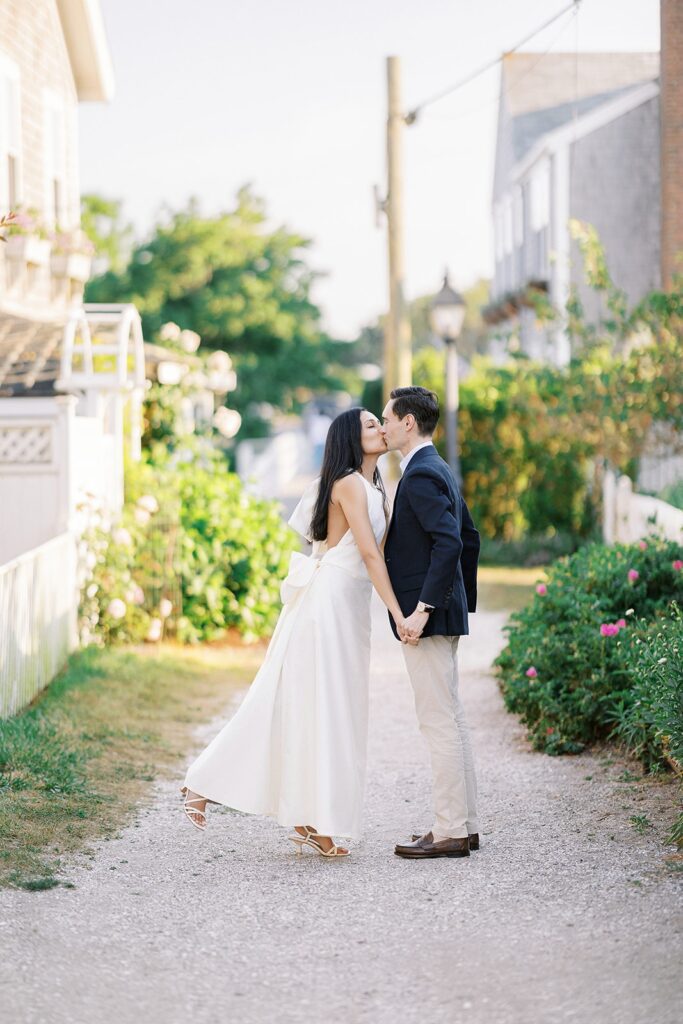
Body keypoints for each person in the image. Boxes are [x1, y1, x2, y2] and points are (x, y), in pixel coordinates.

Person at [181, 408, 411, 857]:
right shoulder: (346, 482)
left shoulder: (376, 486)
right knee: (297, 705)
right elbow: (367, 553)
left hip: (348, 609)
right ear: (350, 437)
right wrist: (399, 614)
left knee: (329, 713)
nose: (381, 429)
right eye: (370, 425)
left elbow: (380, 551)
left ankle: (313, 823)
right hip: (325, 606)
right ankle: (201, 784)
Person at [380, 386, 481, 860]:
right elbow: (469, 535)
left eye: (387, 419)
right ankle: (464, 825)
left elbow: (451, 543)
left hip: (428, 619)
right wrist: (458, 603)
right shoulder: (436, 466)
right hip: (444, 613)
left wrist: (422, 610)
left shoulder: (420, 475)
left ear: (407, 423)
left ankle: (449, 832)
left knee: (439, 723)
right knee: (453, 721)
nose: (382, 427)